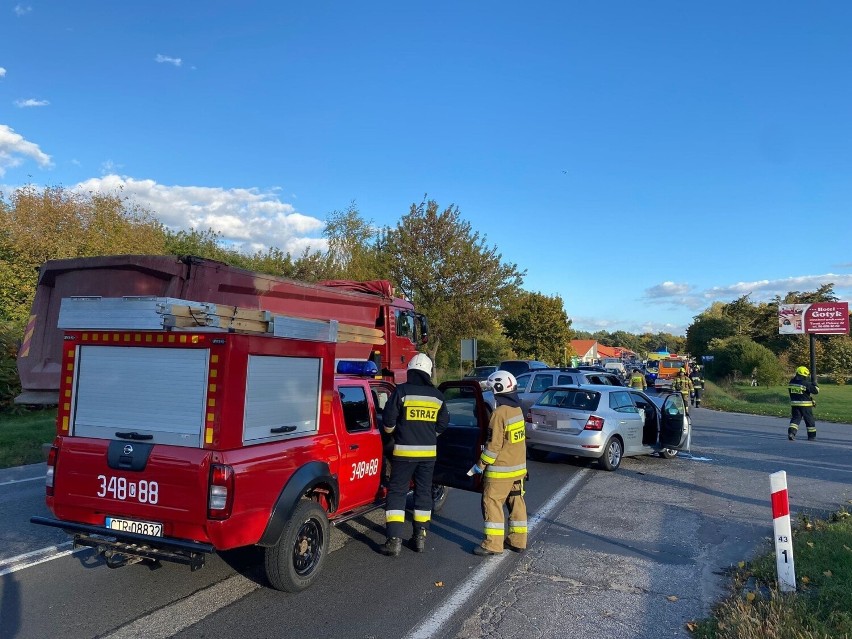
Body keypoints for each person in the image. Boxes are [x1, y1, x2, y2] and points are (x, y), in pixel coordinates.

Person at [381, 353, 449, 556]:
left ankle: (394, 541)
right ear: (428, 373)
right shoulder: (437, 396)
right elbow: (443, 423)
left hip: (403, 454)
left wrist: (393, 433)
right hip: (428, 455)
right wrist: (429, 435)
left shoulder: (402, 391)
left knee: (397, 493)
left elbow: (389, 421)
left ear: (410, 372)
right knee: (423, 494)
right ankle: (419, 538)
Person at [471, 370, 528, 557]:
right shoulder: (517, 410)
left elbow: (493, 446)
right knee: (516, 503)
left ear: (498, 388)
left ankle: (493, 545)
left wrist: (480, 465)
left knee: (491, 502)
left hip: (501, 470)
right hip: (518, 469)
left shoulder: (499, 413)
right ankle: (518, 541)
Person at [788, 366, 819, 441]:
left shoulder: (791, 382)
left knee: (795, 420)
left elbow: (802, 393)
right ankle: (812, 436)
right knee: (809, 421)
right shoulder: (805, 383)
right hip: (805, 406)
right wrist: (815, 383)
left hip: (795, 405)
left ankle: (791, 433)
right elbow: (816, 391)